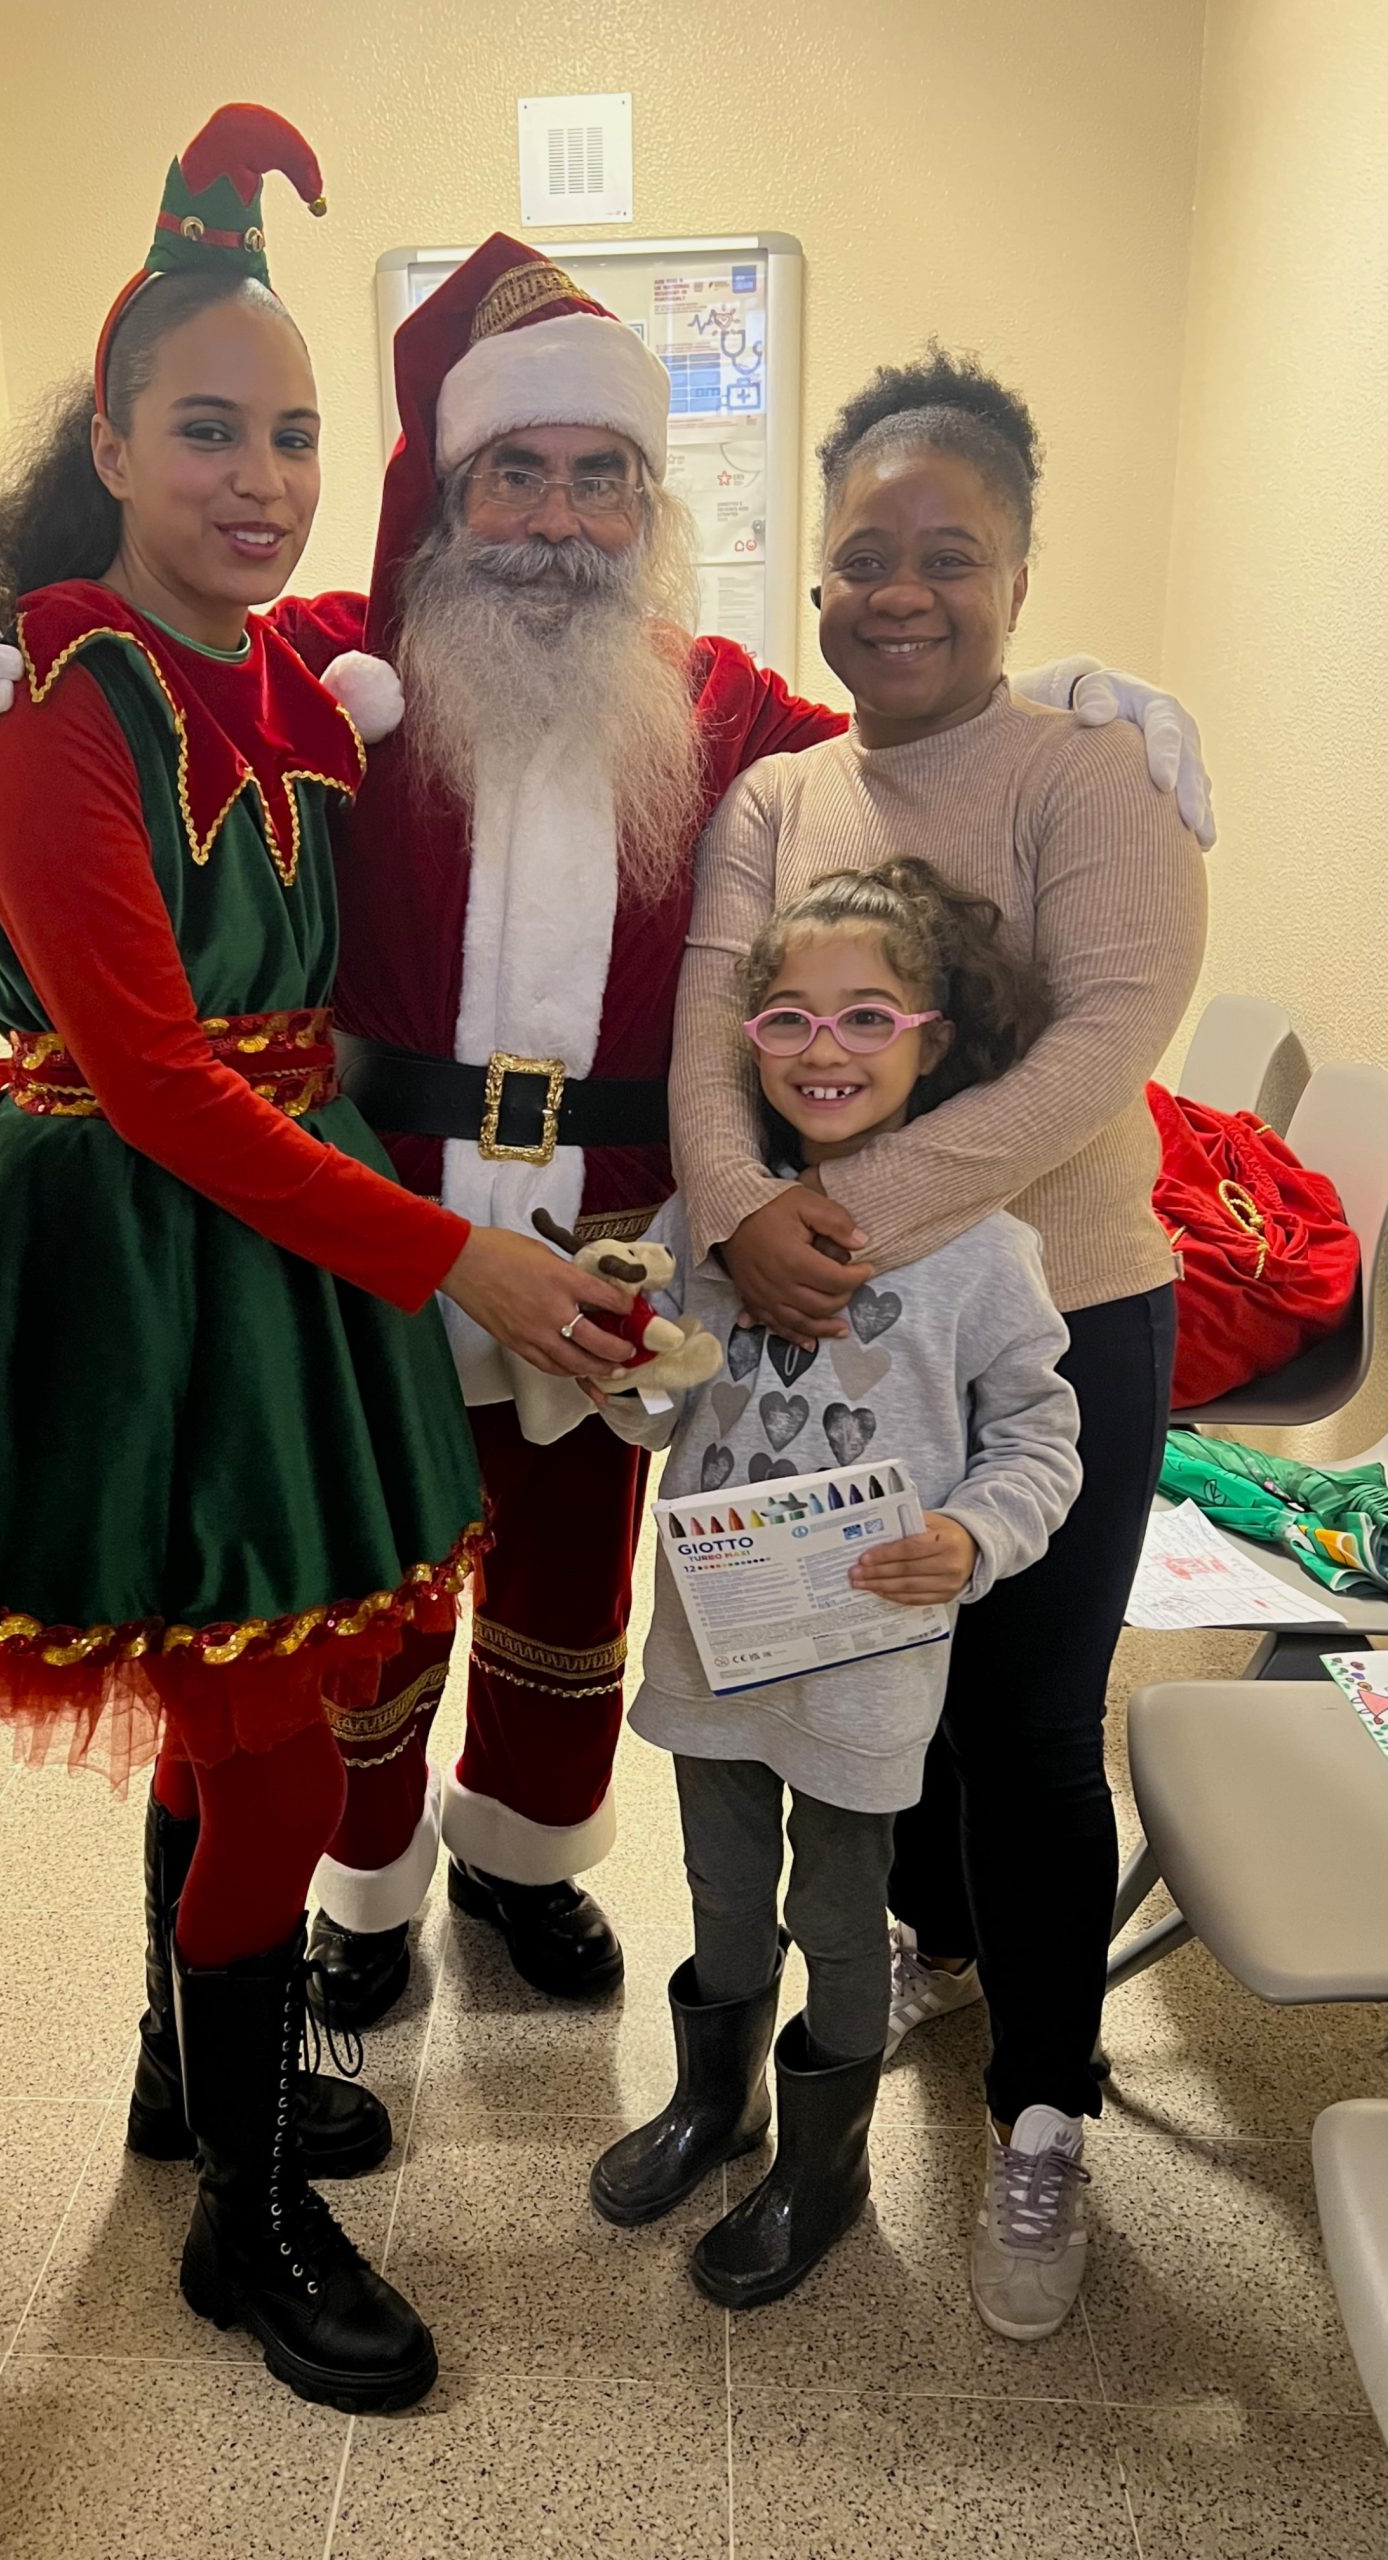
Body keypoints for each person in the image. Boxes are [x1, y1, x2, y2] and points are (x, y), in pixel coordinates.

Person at [0, 244, 1213, 2037]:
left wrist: (1066, 704)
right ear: (452, 488)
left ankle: (521, 1859)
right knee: (360, 1579)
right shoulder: (333, 659)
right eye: (517, 470)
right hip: (369, 1206)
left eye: (601, 478)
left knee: (572, 1578)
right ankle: (361, 1878)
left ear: (650, 507)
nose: (559, 519)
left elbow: (907, 758)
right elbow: (139, 683)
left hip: (618, 1227)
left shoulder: (726, 706)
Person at [0, 106, 636, 2416]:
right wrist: (462, 1263)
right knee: (276, 1758)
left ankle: (185, 2075)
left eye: (294, 435)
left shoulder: (288, 676)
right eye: (207, 428)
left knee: (241, 1702)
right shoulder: (55, 688)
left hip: (276, 1250)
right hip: (143, 1256)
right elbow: (166, 1076)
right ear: (106, 443)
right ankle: (241, 2217)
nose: (262, 477)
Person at [671, 346, 1208, 2340]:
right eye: (863, 554)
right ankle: (934, 1943)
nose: (898, 591)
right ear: (814, 570)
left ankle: (1045, 2106)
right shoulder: (775, 794)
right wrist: (736, 1212)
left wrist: (840, 1218)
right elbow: (712, 1024)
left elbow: (1102, 1048)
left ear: (1019, 573)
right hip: (810, 1330)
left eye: (949, 555)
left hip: (1056, 1311)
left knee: (1027, 1728)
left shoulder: (1092, 777)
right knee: (865, 1690)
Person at [583, 860, 1081, 2310]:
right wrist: (629, 1368)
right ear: (748, 1042)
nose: (825, 1048)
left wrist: (974, 1539)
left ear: (938, 1041)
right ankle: (717, 2105)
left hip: (867, 1656)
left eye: (868, 1016)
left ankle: (826, 2166)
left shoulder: (987, 1255)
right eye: (788, 1017)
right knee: (723, 1888)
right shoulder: (704, 1220)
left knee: (844, 1915)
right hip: (714, 1640)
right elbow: (656, 1415)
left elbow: (1042, 1440)